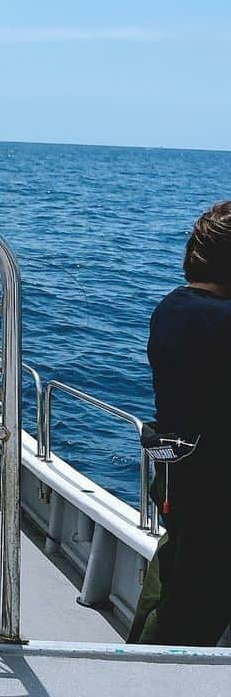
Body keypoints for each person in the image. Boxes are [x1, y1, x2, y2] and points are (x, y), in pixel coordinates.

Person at [134, 201, 231, 645]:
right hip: (215, 489)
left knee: (174, 580)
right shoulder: (216, 321)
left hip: (180, 476)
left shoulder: (173, 308)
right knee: (192, 610)